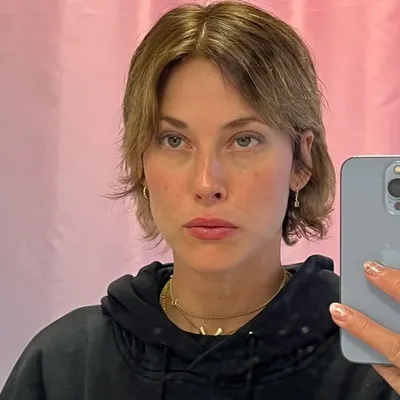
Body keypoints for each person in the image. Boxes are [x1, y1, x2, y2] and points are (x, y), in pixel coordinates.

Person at [1, 1, 399, 399]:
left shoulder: (378, 360)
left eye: (244, 140)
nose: (207, 183)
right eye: (174, 140)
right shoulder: (65, 366)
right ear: (141, 162)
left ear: (301, 161)